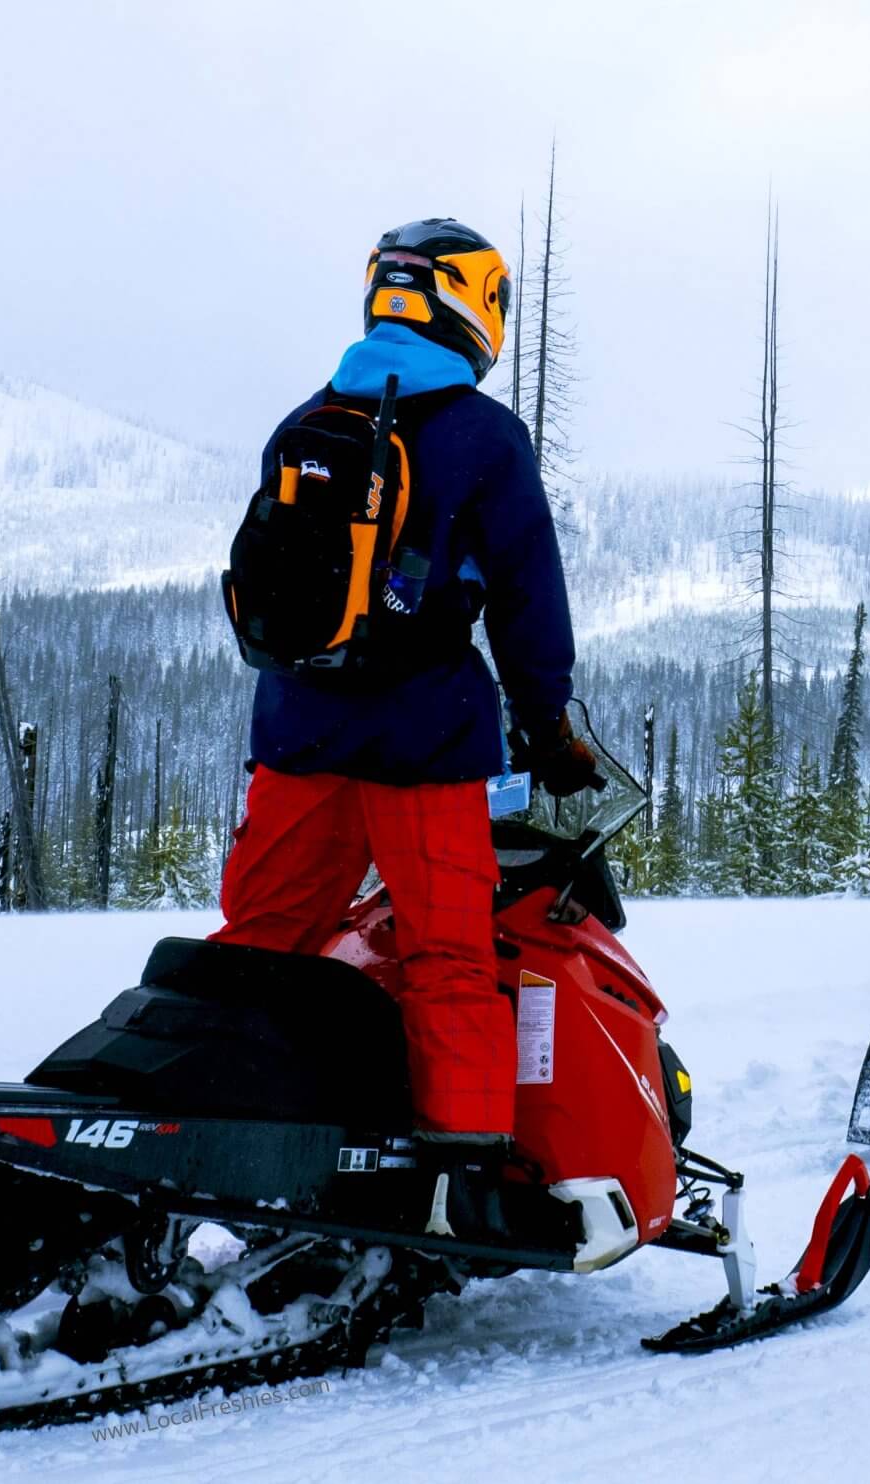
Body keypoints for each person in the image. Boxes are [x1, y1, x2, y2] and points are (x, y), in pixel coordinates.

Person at [209, 218, 596, 1175]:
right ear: (470, 303)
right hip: (425, 741)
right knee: (448, 961)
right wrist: (549, 727)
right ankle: (459, 1170)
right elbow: (526, 602)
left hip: (297, 732)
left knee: (263, 944)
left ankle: (212, 1120)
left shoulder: (306, 418)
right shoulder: (484, 437)